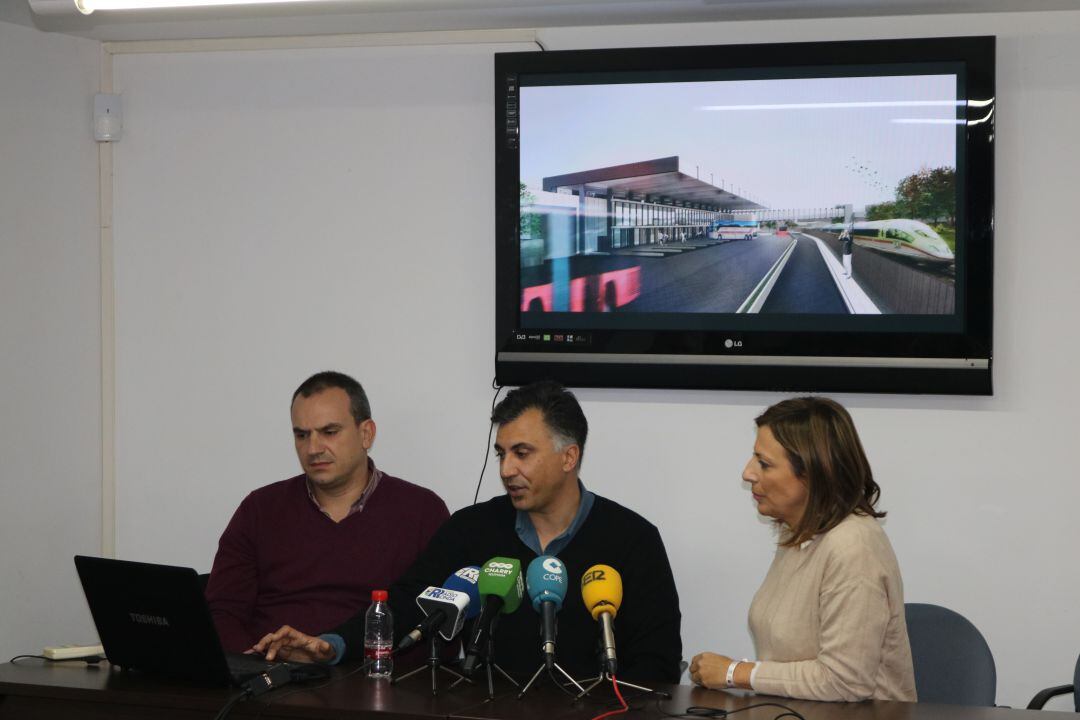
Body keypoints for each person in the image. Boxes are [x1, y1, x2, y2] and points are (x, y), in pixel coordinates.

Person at [254, 380, 683, 683]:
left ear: (568, 456)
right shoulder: (473, 529)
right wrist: (332, 646)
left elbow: (657, 662)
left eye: (522, 453)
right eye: (501, 453)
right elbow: (410, 604)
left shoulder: (633, 540)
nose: (506, 469)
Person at [689, 397, 915, 702]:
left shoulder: (853, 546)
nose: (748, 473)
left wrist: (735, 673)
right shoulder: (799, 532)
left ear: (812, 473)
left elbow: (845, 682)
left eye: (764, 463)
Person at [205, 371, 450, 653]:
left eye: (329, 432)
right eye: (302, 435)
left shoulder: (422, 511)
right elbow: (223, 611)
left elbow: (434, 623)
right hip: (272, 679)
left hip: (375, 682)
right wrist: (256, 665)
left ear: (366, 433)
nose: (313, 448)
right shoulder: (260, 509)